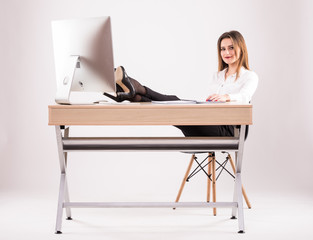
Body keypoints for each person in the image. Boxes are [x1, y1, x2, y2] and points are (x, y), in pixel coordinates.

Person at [104, 30, 258, 137]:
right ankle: (133, 95)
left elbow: (245, 97)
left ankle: (136, 89)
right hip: (208, 121)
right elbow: (209, 102)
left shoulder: (249, 76)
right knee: (172, 106)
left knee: (175, 105)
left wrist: (227, 97)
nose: (226, 53)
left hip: (229, 131)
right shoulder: (217, 76)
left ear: (241, 48)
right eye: (222, 49)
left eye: (231, 48)